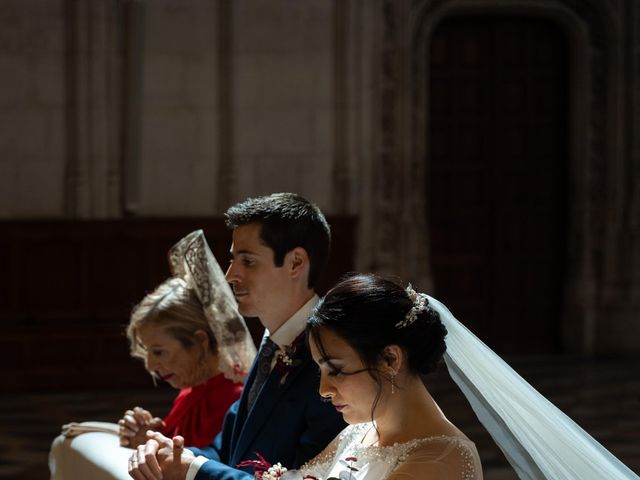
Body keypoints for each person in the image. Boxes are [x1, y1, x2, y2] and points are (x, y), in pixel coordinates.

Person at [267, 273, 640, 480]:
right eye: (320, 371)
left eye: (336, 370)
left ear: (390, 359)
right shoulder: (357, 432)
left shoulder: (439, 460)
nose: (323, 390)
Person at [127, 193, 346, 480]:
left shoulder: (332, 356)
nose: (230, 274)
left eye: (248, 261)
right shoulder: (271, 344)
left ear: (295, 263)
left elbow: (309, 475)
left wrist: (192, 469)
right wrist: (169, 451)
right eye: (233, 259)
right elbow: (229, 451)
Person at [49, 230, 256, 480]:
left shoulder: (232, 398)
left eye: (159, 351)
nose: (150, 364)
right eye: (147, 351)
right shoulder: (193, 390)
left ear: (200, 341)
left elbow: (200, 464)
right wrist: (144, 436)